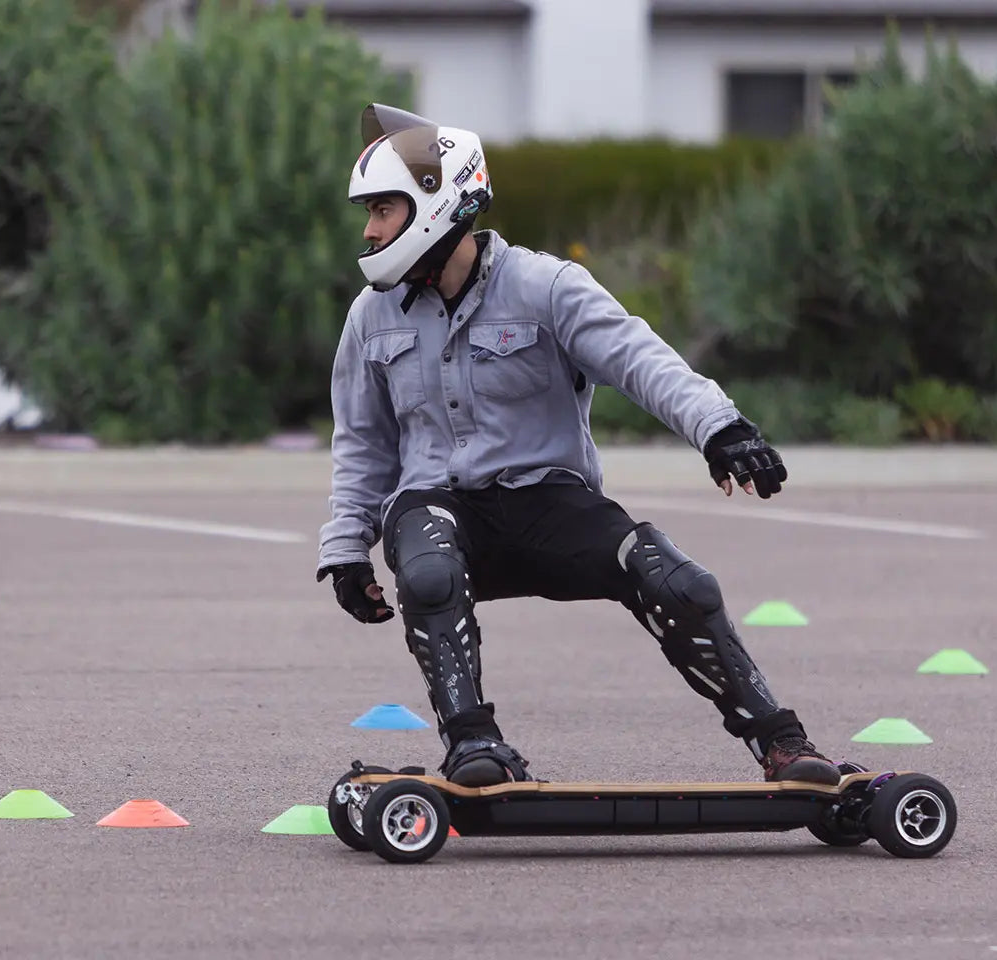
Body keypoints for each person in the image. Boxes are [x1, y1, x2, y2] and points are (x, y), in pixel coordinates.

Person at [316, 103, 843, 789]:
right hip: (438, 507)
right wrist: (346, 549)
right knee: (429, 568)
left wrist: (720, 428)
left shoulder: (546, 286)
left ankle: (783, 744)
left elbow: (639, 360)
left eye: (383, 209)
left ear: (437, 202)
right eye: (370, 212)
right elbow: (362, 444)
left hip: (548, 504)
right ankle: (474, 747)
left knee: (677, 580)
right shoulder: (370, 317)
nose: (370, 229)